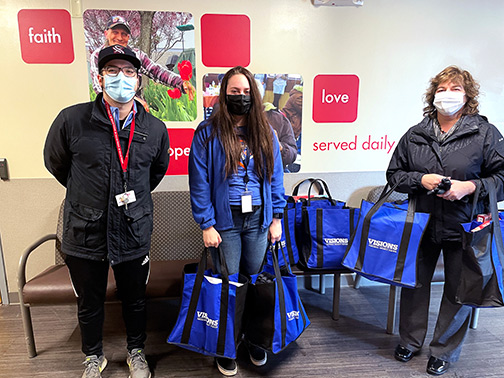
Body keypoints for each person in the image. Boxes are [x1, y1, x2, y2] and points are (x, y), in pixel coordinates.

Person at [44, 45, 169, 378]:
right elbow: (56, 165)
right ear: (100, 78)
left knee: (135, 299)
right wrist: (90, 194)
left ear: (139, 80)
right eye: (112, 70)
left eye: (129, 71)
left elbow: (155, 173)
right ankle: (93, 356)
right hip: (85, 230)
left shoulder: (154, 128)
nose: (121, 78)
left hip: (133, 229)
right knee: (89, 302)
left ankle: (136, 351)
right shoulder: (72, 119)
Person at [387, 66, 504, 376]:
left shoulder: (485, 135)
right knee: (414, 284)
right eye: (442, 88)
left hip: (466, 224)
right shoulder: (415, 134)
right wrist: (421, 178)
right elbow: (394, 176)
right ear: (433, 95)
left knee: (458, 290)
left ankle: (444, 350)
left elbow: (502, 177)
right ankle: (410, 341)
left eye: (455, 89)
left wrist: (470, 187)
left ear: (467, 97)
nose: (447, 94)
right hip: (422, 223)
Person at [188, 66, 286, 376]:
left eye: (245, 92)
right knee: (230, 282)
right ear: (224, 94)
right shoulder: (207, 132)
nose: (240, 97)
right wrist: (206, 224)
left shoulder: (266, 132)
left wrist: (277, 218)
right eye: (234, 92)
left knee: (254, 280)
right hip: (224, 219)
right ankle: (227, 344)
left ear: (253, 95)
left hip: (259, 218)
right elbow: (199, 182)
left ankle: (254, 338)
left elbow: (275, 177)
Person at [89, 15, 194, 101]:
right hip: (108, 109)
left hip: (136, 110)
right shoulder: (97, 56)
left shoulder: (137, 55)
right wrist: (131, 101)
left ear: (128, 37)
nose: (120, 38)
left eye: (124, 34)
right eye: (115, 32)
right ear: (106, 34)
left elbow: (157, 71)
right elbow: (98, 89)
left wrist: (181, 82)